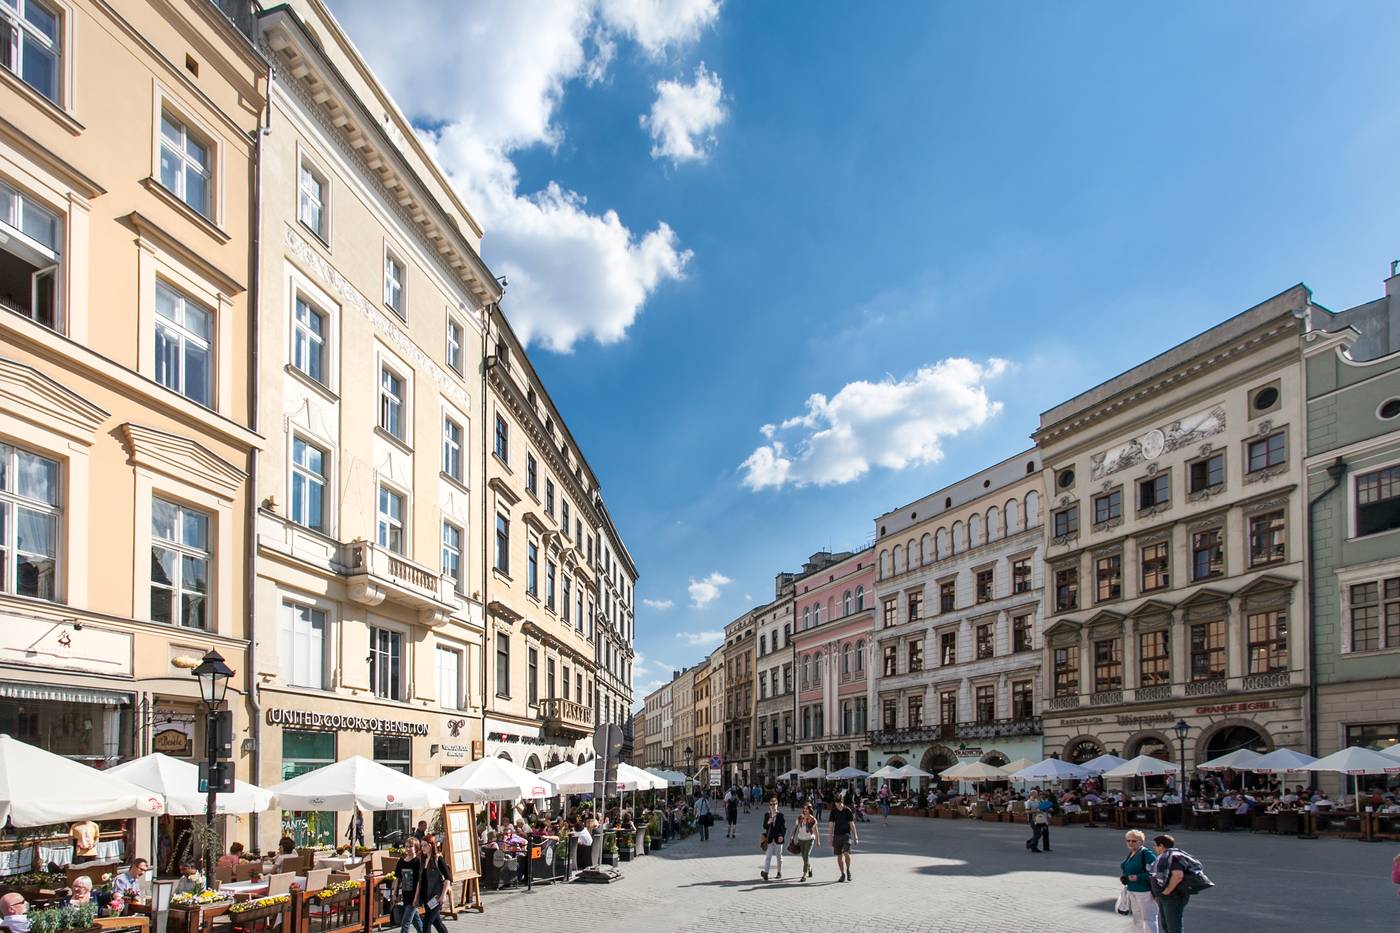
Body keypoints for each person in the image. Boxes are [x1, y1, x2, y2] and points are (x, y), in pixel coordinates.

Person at [1150, 833, 1203, 933]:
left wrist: (1167, 891)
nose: (1154, 848)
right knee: (1166, 926)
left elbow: (1178, 875)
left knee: (1174, 928)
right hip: (1166, 897)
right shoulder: (1166, 857)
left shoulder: (1171, 858)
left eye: (1155, 846)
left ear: (1161, 846)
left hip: (1172, 897)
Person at [1119, 830, 1158, 933]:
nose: (1130, 843)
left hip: (1144, 891)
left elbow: (1156, 871)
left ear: (1141, 842)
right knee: (1137, 918)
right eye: (1128, 841)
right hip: (1132, 890)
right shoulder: (1132, 853)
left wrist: (1138, 877)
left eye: (1134, 841)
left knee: (1148, 919)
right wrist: (1125, 877)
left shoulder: (1146, 853)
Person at [413, 838, 452, 933]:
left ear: (431, 845)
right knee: (437, 923)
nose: (423, 848)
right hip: (426, 897)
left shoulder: (438, 859)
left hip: (436, 897)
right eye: (422, 846)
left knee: (426, 923)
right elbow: (420, 881)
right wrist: (416, 897)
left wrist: (443, 896)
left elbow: (448, 878)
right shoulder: (423, 860)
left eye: (425, 845)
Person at [829, 794, 859, 882]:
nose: (838, 806)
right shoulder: (833, 811)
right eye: (836, 804)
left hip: (846, 835)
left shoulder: (847, 811)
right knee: (839, 855)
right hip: (837, 835)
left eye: (839, 804)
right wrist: (830, 838)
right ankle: (842, 874)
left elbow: (851, 824)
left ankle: (848, 870)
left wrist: (855, 836)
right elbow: (831, 825)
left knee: (846, 853)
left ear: (842, 802)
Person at [396, 845, 423, 933]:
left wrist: (416, 898)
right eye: (406, 846)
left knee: (405, 923)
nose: (407, 848)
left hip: (414, 896)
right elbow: (398, 878)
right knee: (416, 920)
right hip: (405, 895)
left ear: (416, 848)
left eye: (410, 846)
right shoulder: (401, 861)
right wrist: (394, 893)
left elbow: (420, 881)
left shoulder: (418, 862)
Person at [760, 797, 786, 882]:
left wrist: (782, 835)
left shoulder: (780, 815)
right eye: (771, 804)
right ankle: (766, 873)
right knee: (768, 856)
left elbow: (783, 828)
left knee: (779, 857)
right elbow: (764, 826)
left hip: (778, 839)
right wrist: (768, 822)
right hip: (770, 839)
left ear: (777, 805)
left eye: (774, 804)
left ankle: (779, 872)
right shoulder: (767, 815)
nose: (773, 806)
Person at [794, 804, 819, 881]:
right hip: (801, 839)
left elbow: (816, 831)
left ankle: (804, 874)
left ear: (810, 810)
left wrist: (818, 841)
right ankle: (809, 868)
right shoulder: (800, 818)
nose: (805, 810)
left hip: (809, 839)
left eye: (807, 809)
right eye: (804, 808)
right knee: (804, 857)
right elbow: (795, 827)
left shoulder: (813, 820)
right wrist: (792, 836)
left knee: (806, 855)